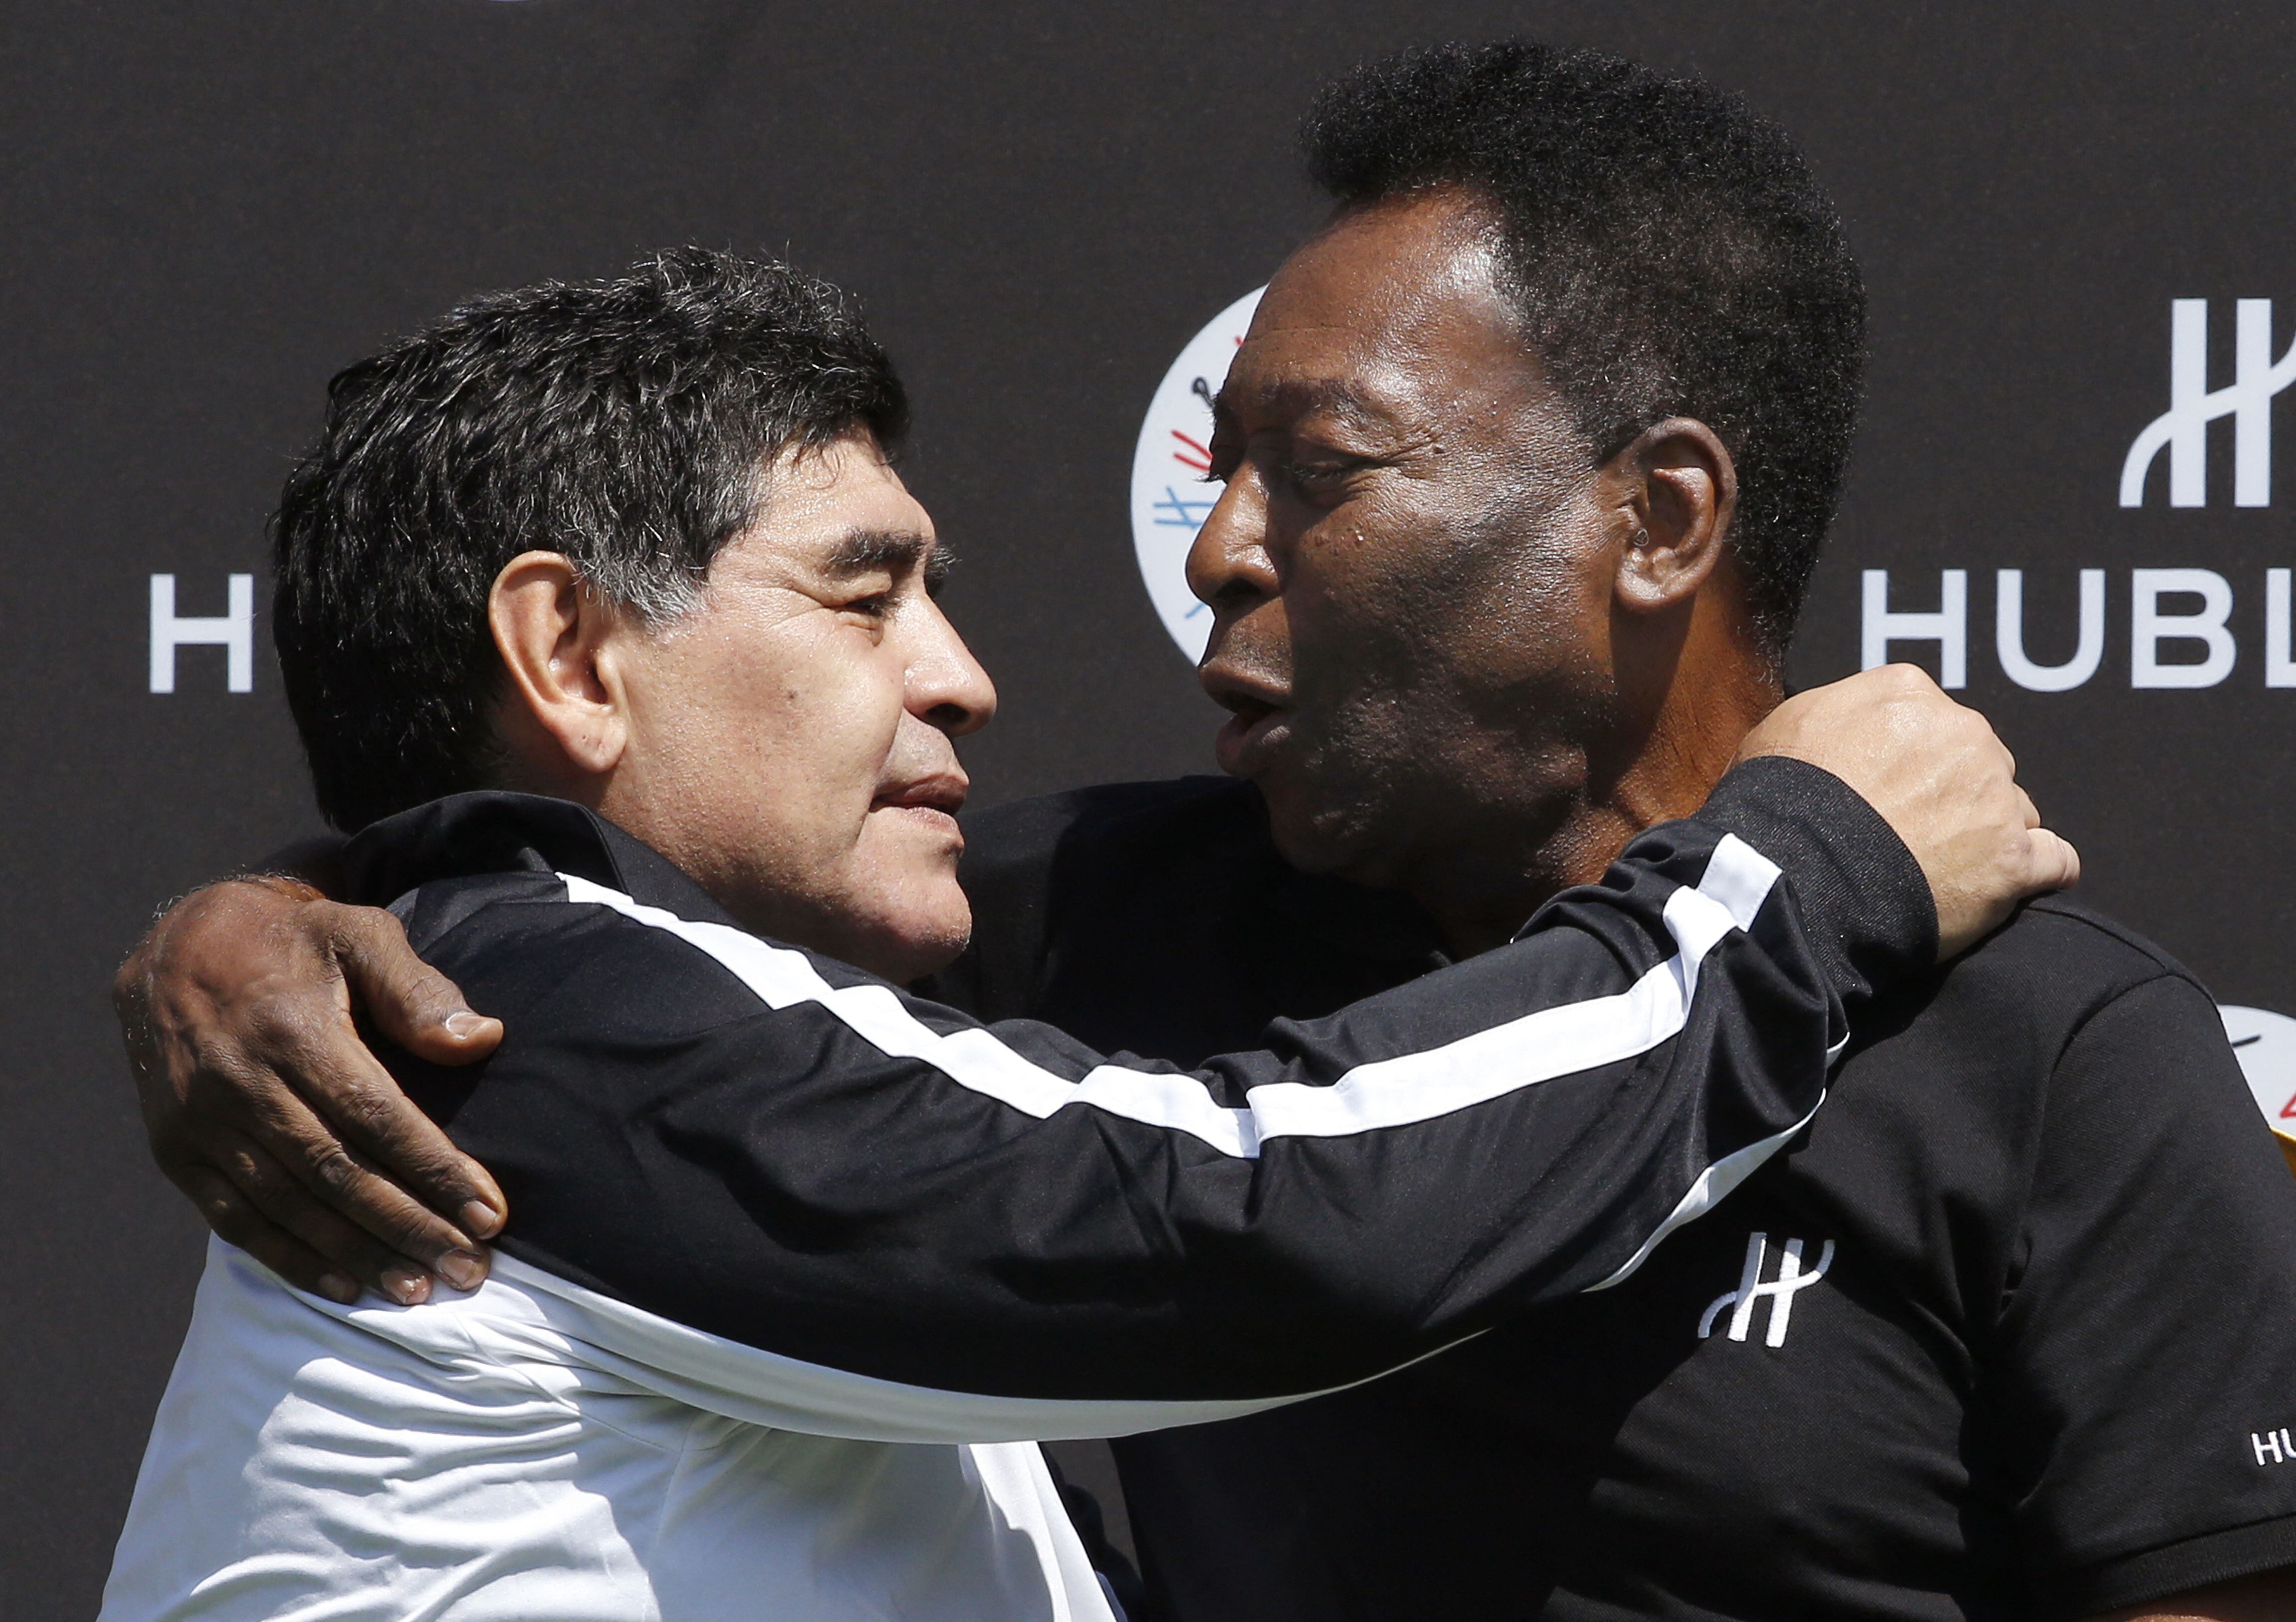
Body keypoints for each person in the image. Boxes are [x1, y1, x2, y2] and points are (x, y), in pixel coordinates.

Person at [114, 39, 2296, 1622]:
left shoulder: (2053, 1053)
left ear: (1656, 519)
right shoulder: (1060, 939)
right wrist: (284, 915)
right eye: (865, 595)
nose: (1215, 550)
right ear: (574, 653)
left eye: (1319, 468)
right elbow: (1268, 1213)